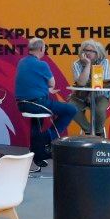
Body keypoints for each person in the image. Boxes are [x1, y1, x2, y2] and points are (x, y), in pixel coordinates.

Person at [15, 37, 77, 167]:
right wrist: (48, 89)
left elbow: (30, 84)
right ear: (42, 49)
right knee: (71, 110)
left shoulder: (22, 62)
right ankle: (45, 139)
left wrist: (45, 90)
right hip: (38, 104)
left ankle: (38, 153)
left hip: (22, 104)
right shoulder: (42, 64)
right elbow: (52, 83)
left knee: (37, 121)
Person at [69, 40, 110, 136]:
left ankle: (98, 132)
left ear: (98, 53)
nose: (88, 53)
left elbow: (103, 83)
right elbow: (81, 83)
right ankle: (89, 131)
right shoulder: (76, 64)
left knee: (99, 109)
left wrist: (88, 86)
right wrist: (88, 65)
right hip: (81, 96)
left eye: (91, 51)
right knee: (70, 107)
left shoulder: (104, 62)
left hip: (100, 95)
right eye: (85, 50)